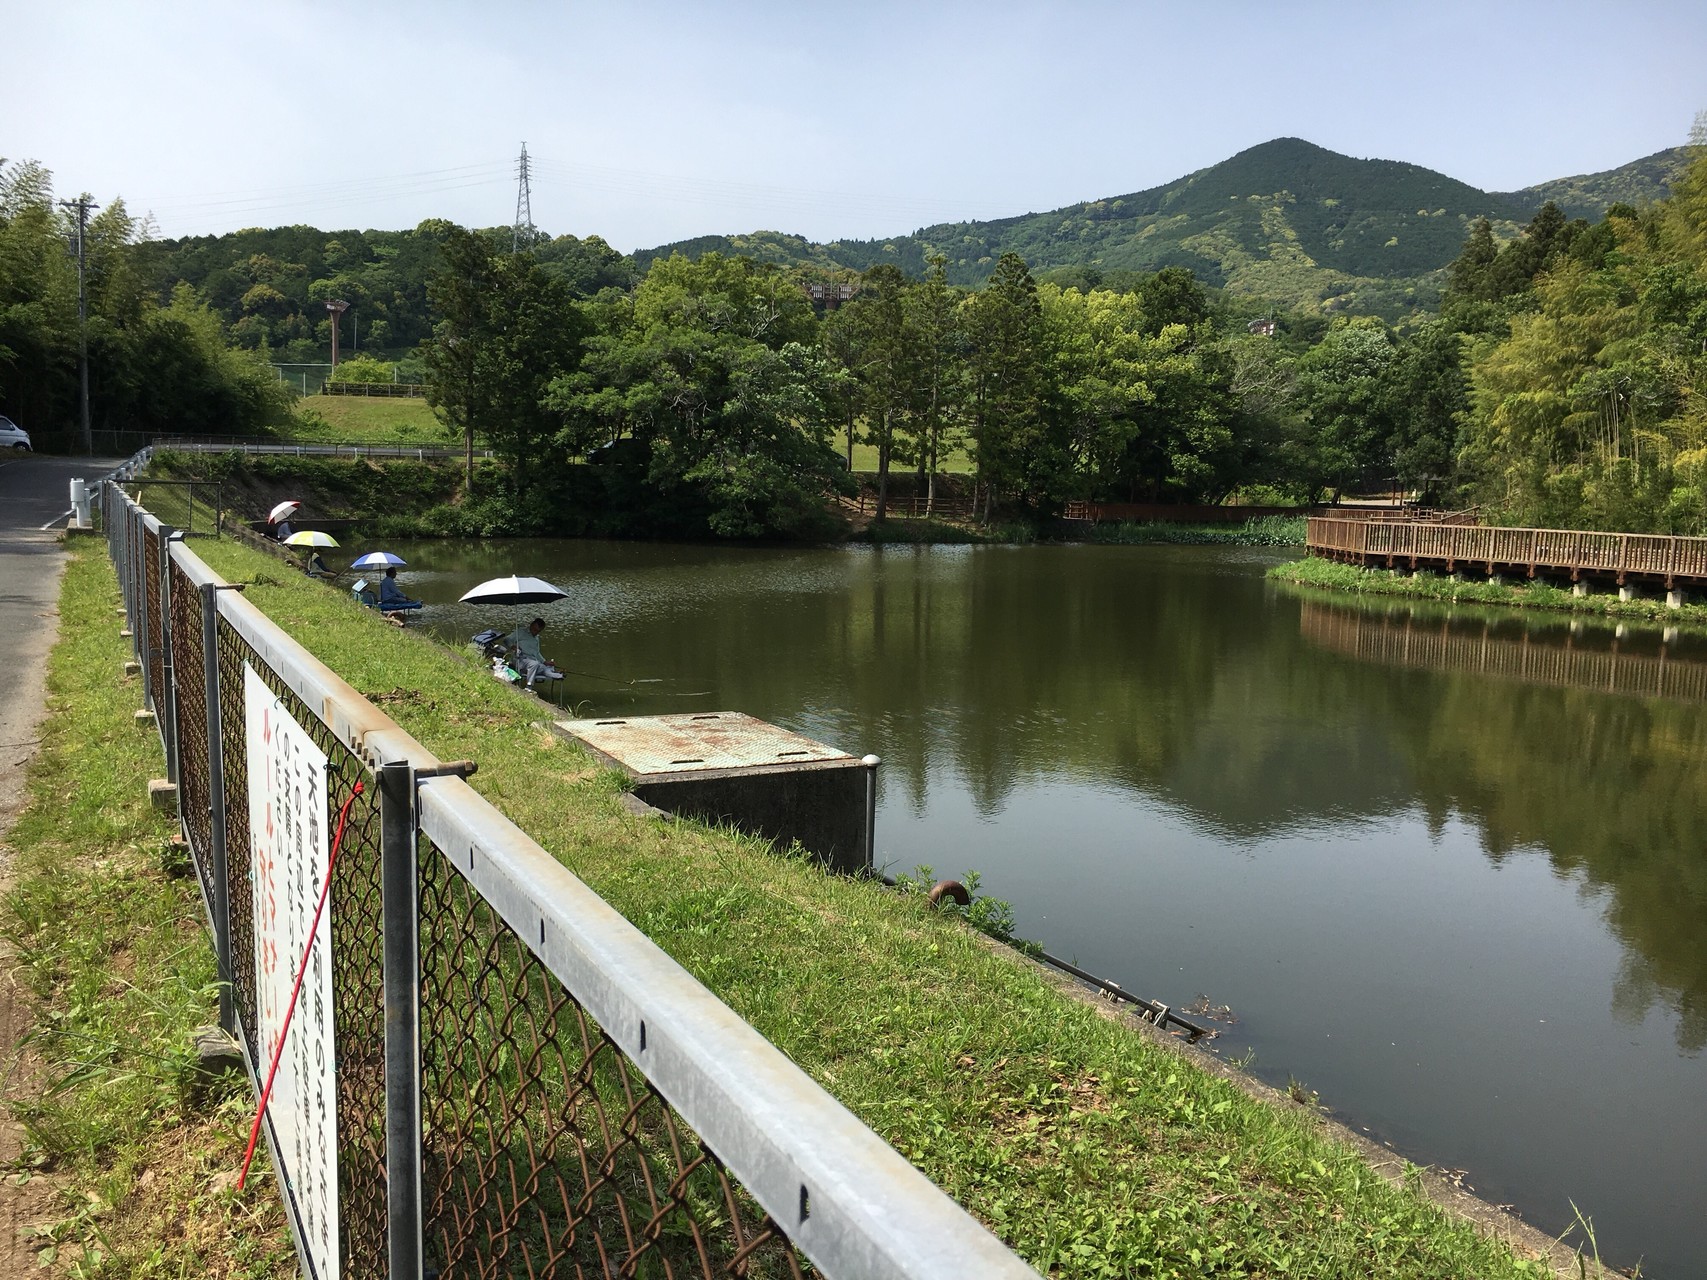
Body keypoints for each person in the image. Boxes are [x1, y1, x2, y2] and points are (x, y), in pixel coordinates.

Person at [505, 616, 555, 688]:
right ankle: (529, 687)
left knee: (546, 668)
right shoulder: (521, 632)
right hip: (520, 660)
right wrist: (512, 646)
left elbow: (537, 653)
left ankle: (558, 675)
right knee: (534, 664)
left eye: (538, 631)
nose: (535, 632)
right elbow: (507, 639)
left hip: (532, 661)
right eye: (534, 630)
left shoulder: (536, 638)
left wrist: (544, 662)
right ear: (531, 625)